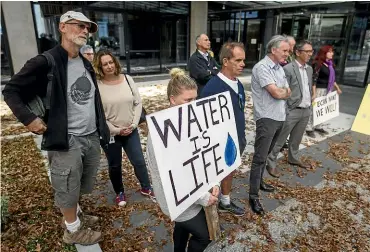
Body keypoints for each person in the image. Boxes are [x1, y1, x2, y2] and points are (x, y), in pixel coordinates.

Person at [2, 11, 110, 245]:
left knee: (80, 184)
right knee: (67, 185)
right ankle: (72, 231)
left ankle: (75, 217)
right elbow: (10, 90)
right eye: (79, 26)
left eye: (88, 28)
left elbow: (92, 98)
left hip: (89, 135)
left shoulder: (84, 62)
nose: (85, 31)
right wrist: (29, 119)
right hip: (66, 138)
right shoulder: (46, 61)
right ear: (62, 27)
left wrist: (101, 128)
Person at [147, 68, 220, 252]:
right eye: (188, 100)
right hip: (178, 200)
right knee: (203, 235)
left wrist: (214, 181)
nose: (193, 104)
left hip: (195, 193)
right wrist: (204, 197)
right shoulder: (163, 132)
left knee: (183, 227)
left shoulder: (192, 120)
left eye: (195, 99)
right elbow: (175, 177)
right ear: (172, 99)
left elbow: (206, 153)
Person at [93, 50, 155, 207]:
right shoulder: (97, 85)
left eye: (110, 62)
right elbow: (98, 114)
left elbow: (138, 103)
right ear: (100, 67)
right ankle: (119, 192)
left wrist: (133, 124)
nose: (109, 66)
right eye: (104, 64)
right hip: (111, 133)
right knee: (115, 165)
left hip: (130, 130)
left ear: (115, 62)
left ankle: (146, 187)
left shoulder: (127, 79)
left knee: (139, 161)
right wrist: (115, 129)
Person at [199, 42, 247, 216]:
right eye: (238, 60)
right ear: (226, 61)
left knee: (230, 170)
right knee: (215, 175)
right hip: (219, 142)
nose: (243, 64)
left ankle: (225, 202)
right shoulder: (213, 88)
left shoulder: (238, 83)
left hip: (236, 139)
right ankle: (208, 210)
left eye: (243, 60)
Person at [249, 35, 291, 215]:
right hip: (266, 118)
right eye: (285, 50)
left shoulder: (279, 69)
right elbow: (275, 92)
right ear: (273, 50)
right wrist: (281, 92)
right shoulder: (262, 67)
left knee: (266, 155)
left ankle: (259, 182)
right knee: (259, 157)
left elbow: (288, 91)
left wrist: (282, 92)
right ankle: (253, 196)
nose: (287, 55)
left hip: (279, 117)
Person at [266, 40, 315, 178]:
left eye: (311, 51)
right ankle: (271, 161)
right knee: (280, 139)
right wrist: (285, 108)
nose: (310, 54)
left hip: (305, 110)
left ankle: (293, 157)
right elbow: (281, 90)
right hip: (292, 110)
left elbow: (307, 86)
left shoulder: (309, 69)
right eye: (307, 51)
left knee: (296, 138)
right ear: (298, 52)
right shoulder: (287, 69)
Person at [306, 45, 342, 138]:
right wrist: (314, 94)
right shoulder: (318, 64)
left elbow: (332, 79)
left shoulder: (330, 64)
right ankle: (309, 128)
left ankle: (318, 126)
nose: (332, 53)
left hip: (327, 90)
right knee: (314, 109)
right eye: (329, 52)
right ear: (324, 53)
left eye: (332, 52)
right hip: (318, 89)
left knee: (323, 109)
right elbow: (314, 79)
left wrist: (337, 88)